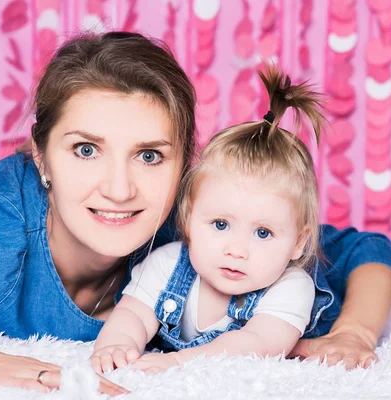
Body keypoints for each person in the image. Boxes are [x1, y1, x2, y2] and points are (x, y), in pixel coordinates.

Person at [0, 31, 391, 395]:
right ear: (40, 155)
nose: (119, 188)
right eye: (86, 149)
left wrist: (354, 333)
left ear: (184, 168)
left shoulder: (193, 224)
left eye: (150, 155)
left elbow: (362, 250)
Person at [91, 66, 324, 374]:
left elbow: (257, 343)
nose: (237, 249)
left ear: (298, 242)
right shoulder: (167, 263)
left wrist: (177, 361)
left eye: (263, 233)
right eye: (220, 225)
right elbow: (133, 313)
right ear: (188, 219)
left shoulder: (291, 287)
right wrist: (117, 344)